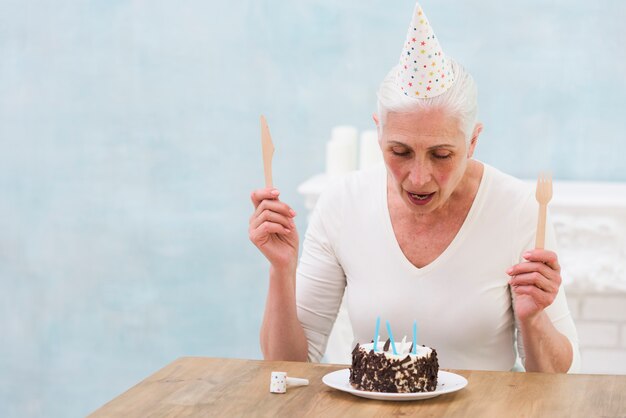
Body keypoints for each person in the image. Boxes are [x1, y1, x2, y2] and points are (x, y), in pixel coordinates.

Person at [249, 1, 579, 373]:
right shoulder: (343, 203)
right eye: (400, 151)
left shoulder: (520, 209)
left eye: (441, 155)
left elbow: (561, 378)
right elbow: (289, 365)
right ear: (379, 133)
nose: (419, 177)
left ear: (472, 142)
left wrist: (534, 321)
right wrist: (281, 270)